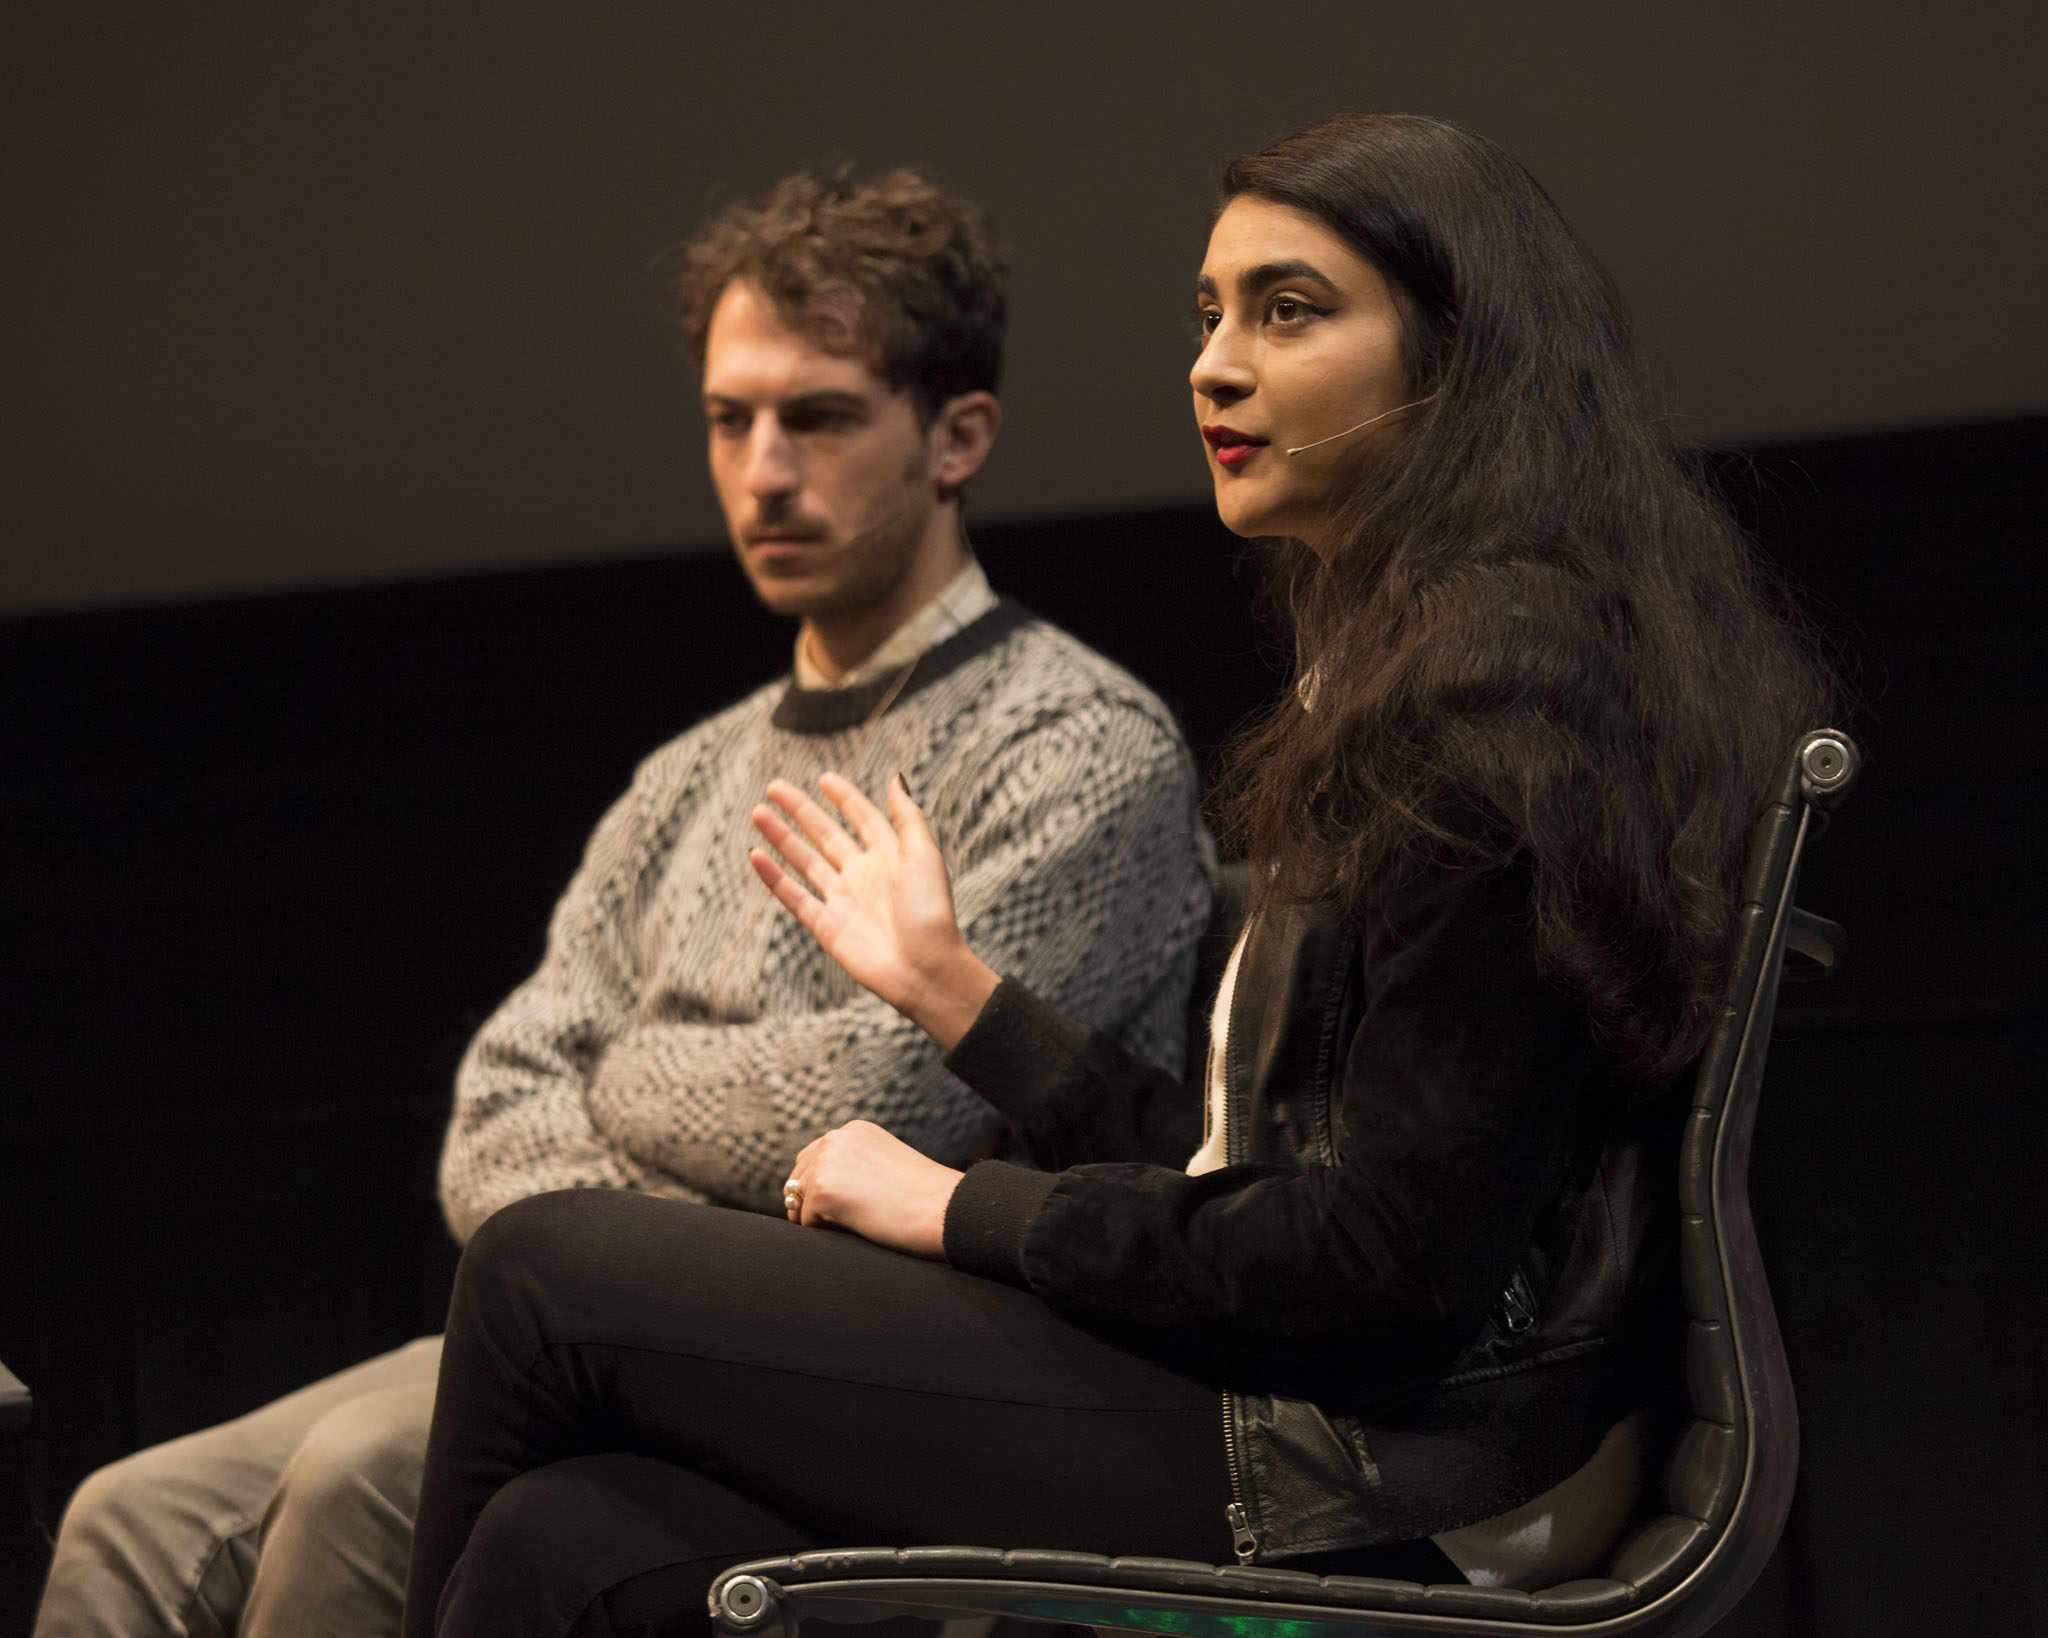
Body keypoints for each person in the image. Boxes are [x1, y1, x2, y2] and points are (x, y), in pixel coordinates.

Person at [398, 114, 1836, 1638]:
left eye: (1288, 311)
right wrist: (962, 997)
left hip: (1371, 1468)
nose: (1215, 364)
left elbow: (1383, 1269)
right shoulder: (1423, 659)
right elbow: (1257, 1173)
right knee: (567, 1539)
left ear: (1455, 355)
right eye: (1209, 314)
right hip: (1313, 1402)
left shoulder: (1503, 692)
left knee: (543, 1269)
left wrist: (965, 1206)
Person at [32, 168, 1216, 1638]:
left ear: (957, 433)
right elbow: (499, 1108)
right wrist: (646, 1214)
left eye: (821, 415)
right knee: (126, 1512)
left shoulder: (1077, 739)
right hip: (595, 1329)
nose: (764, 469)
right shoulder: (687, 775)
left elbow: (888, 1103)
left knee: (347, 1482)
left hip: (908, 1356)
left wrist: (631, 1075)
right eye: (732, 419)